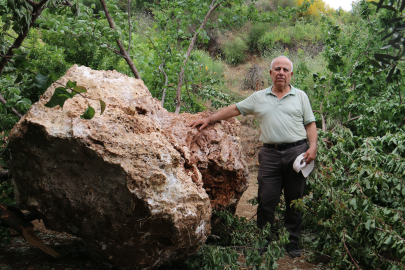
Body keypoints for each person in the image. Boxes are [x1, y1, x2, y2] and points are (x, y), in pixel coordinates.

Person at [188, 56, 317, 258]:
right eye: (277, 69)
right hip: (270, 154)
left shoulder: (301, 96)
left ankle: (292, 242)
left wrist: (313, 147)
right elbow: (235, 109)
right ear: (271, 73)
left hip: (297, 153)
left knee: (295, 200)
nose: (281, 72)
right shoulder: (259, 97)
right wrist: (209, 119)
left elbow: (310, 124)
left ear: (291, 74)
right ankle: (263, 240)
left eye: (285, 69)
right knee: (266, 199)